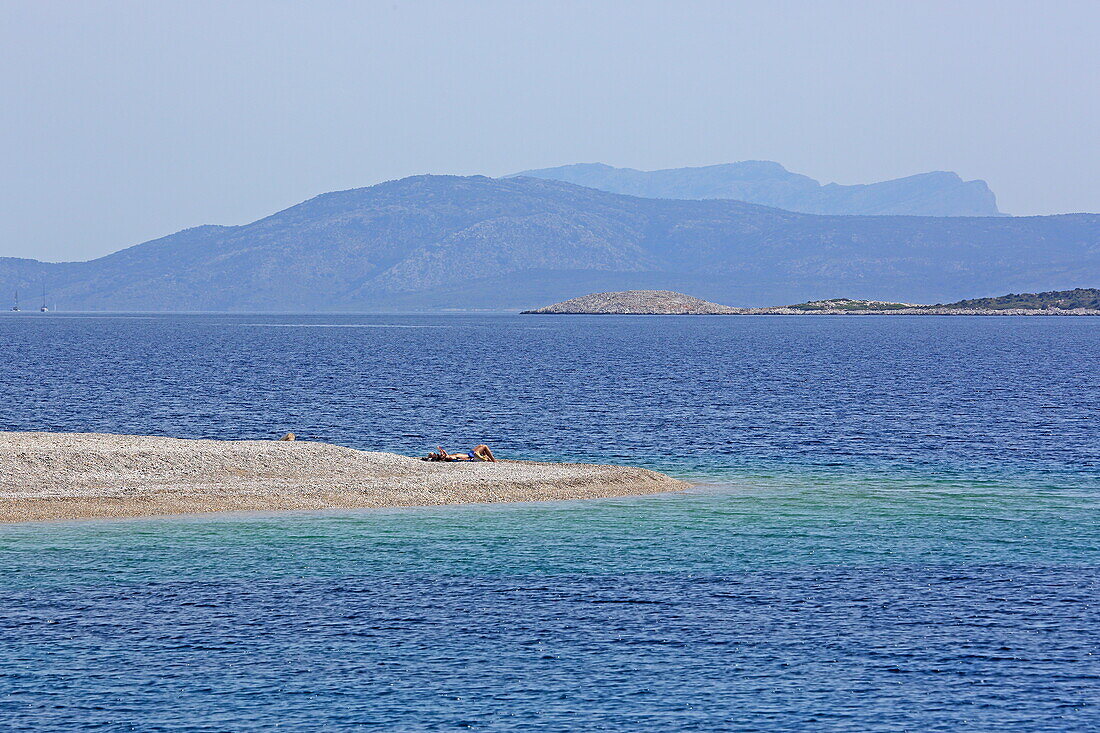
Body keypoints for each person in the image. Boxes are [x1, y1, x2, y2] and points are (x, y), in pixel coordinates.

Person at [425, 444, 496, 462]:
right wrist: (442, 450)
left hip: (469, 454)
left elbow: (444, 454)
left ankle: (488, 460)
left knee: (481, 446)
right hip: (470, 456)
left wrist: (441, 449)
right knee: (484, 447)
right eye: (434, 454)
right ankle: (494, 461)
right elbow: (446, 456)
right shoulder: (446, 457)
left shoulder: (443, 456)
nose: (435, 453)